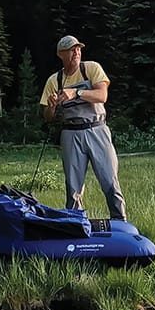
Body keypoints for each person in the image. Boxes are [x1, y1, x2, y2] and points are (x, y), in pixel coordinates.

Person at [39, 35, 127, 221]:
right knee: (73, 187)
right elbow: (48, 117)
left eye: (78, 48)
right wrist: (52, 106)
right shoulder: (54, 81)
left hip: (97, 129)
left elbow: (102, 95)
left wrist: (76, 92)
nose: (76, 52)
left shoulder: (92, 68)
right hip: (70, 133)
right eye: (71, 49)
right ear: (60, 54)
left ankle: (120, 222)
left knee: (109, 180)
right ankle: (75, 224)